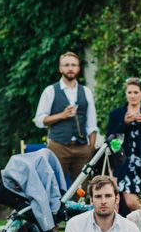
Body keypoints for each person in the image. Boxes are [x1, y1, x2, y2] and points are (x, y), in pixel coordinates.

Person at [34, 51, 98, 184]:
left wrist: (90, 148)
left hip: (82, 147)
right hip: (58, 146)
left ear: (79, 68)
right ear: (60, 68)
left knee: (82, 188)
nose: (70, 68)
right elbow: (39, 121)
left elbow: (92, 123)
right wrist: (62, 116)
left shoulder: (86, 91)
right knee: (54, 185)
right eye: (67, 65)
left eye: (74, 65)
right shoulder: (50, 91)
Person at [106, 77, 141, 211]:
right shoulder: (117, 114)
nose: (132, 96)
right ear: (125, 93)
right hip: (124, 164)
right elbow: (110, 142)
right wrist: (124, 124)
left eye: (136, 92)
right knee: (130, 203)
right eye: (129, 92)